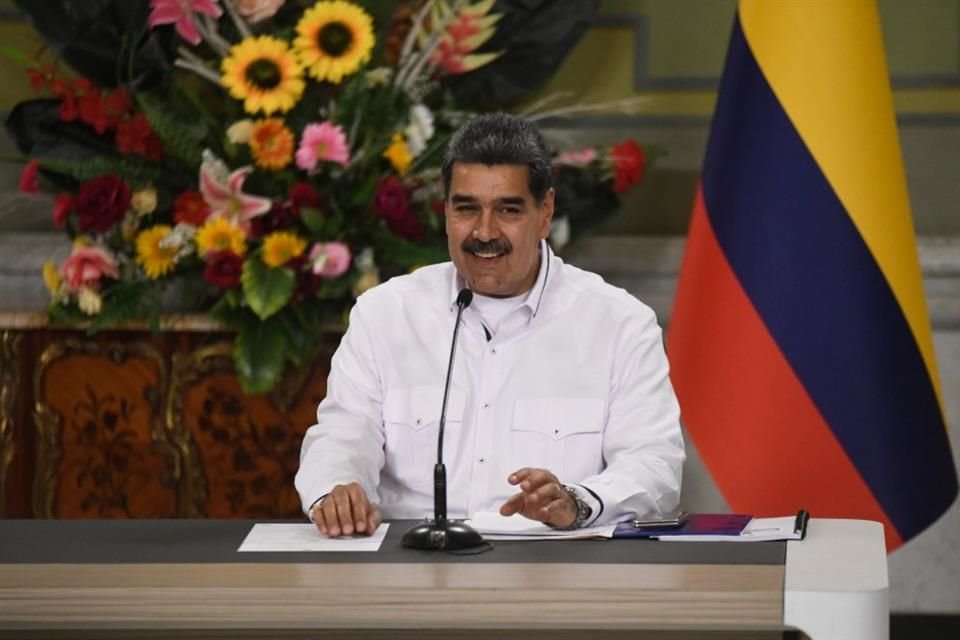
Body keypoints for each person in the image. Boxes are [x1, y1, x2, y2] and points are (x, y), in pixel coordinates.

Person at [295, 113, 685, 537]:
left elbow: (654, 466)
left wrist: (577, 500)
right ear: (445, 210)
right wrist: (337, 488)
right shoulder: (384, 314)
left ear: (545, 211)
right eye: (466, 209)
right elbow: (343, 434)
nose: (484, 232)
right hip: (407, 568)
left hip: (552, 574)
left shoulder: (620, 324)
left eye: (508, 210)